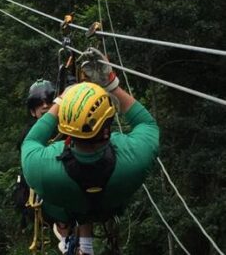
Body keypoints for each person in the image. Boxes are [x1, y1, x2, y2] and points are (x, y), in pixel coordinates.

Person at [21, 48, 160, 255]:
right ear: (108, 125)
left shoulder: (42, 167)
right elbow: (147, 124)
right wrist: (111, 85)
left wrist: (61, 102)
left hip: (65, 204)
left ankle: (67, 232)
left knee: (62, 203)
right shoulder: (134, 158)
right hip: (111, 202)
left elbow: (30, 141)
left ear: (64, 124)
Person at [13, 79, 57, 230]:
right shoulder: (28, 136)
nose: (45, 106)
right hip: (42, 193)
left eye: (49, 101)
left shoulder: (68, 126)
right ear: (33, 111)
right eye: (39, 103)